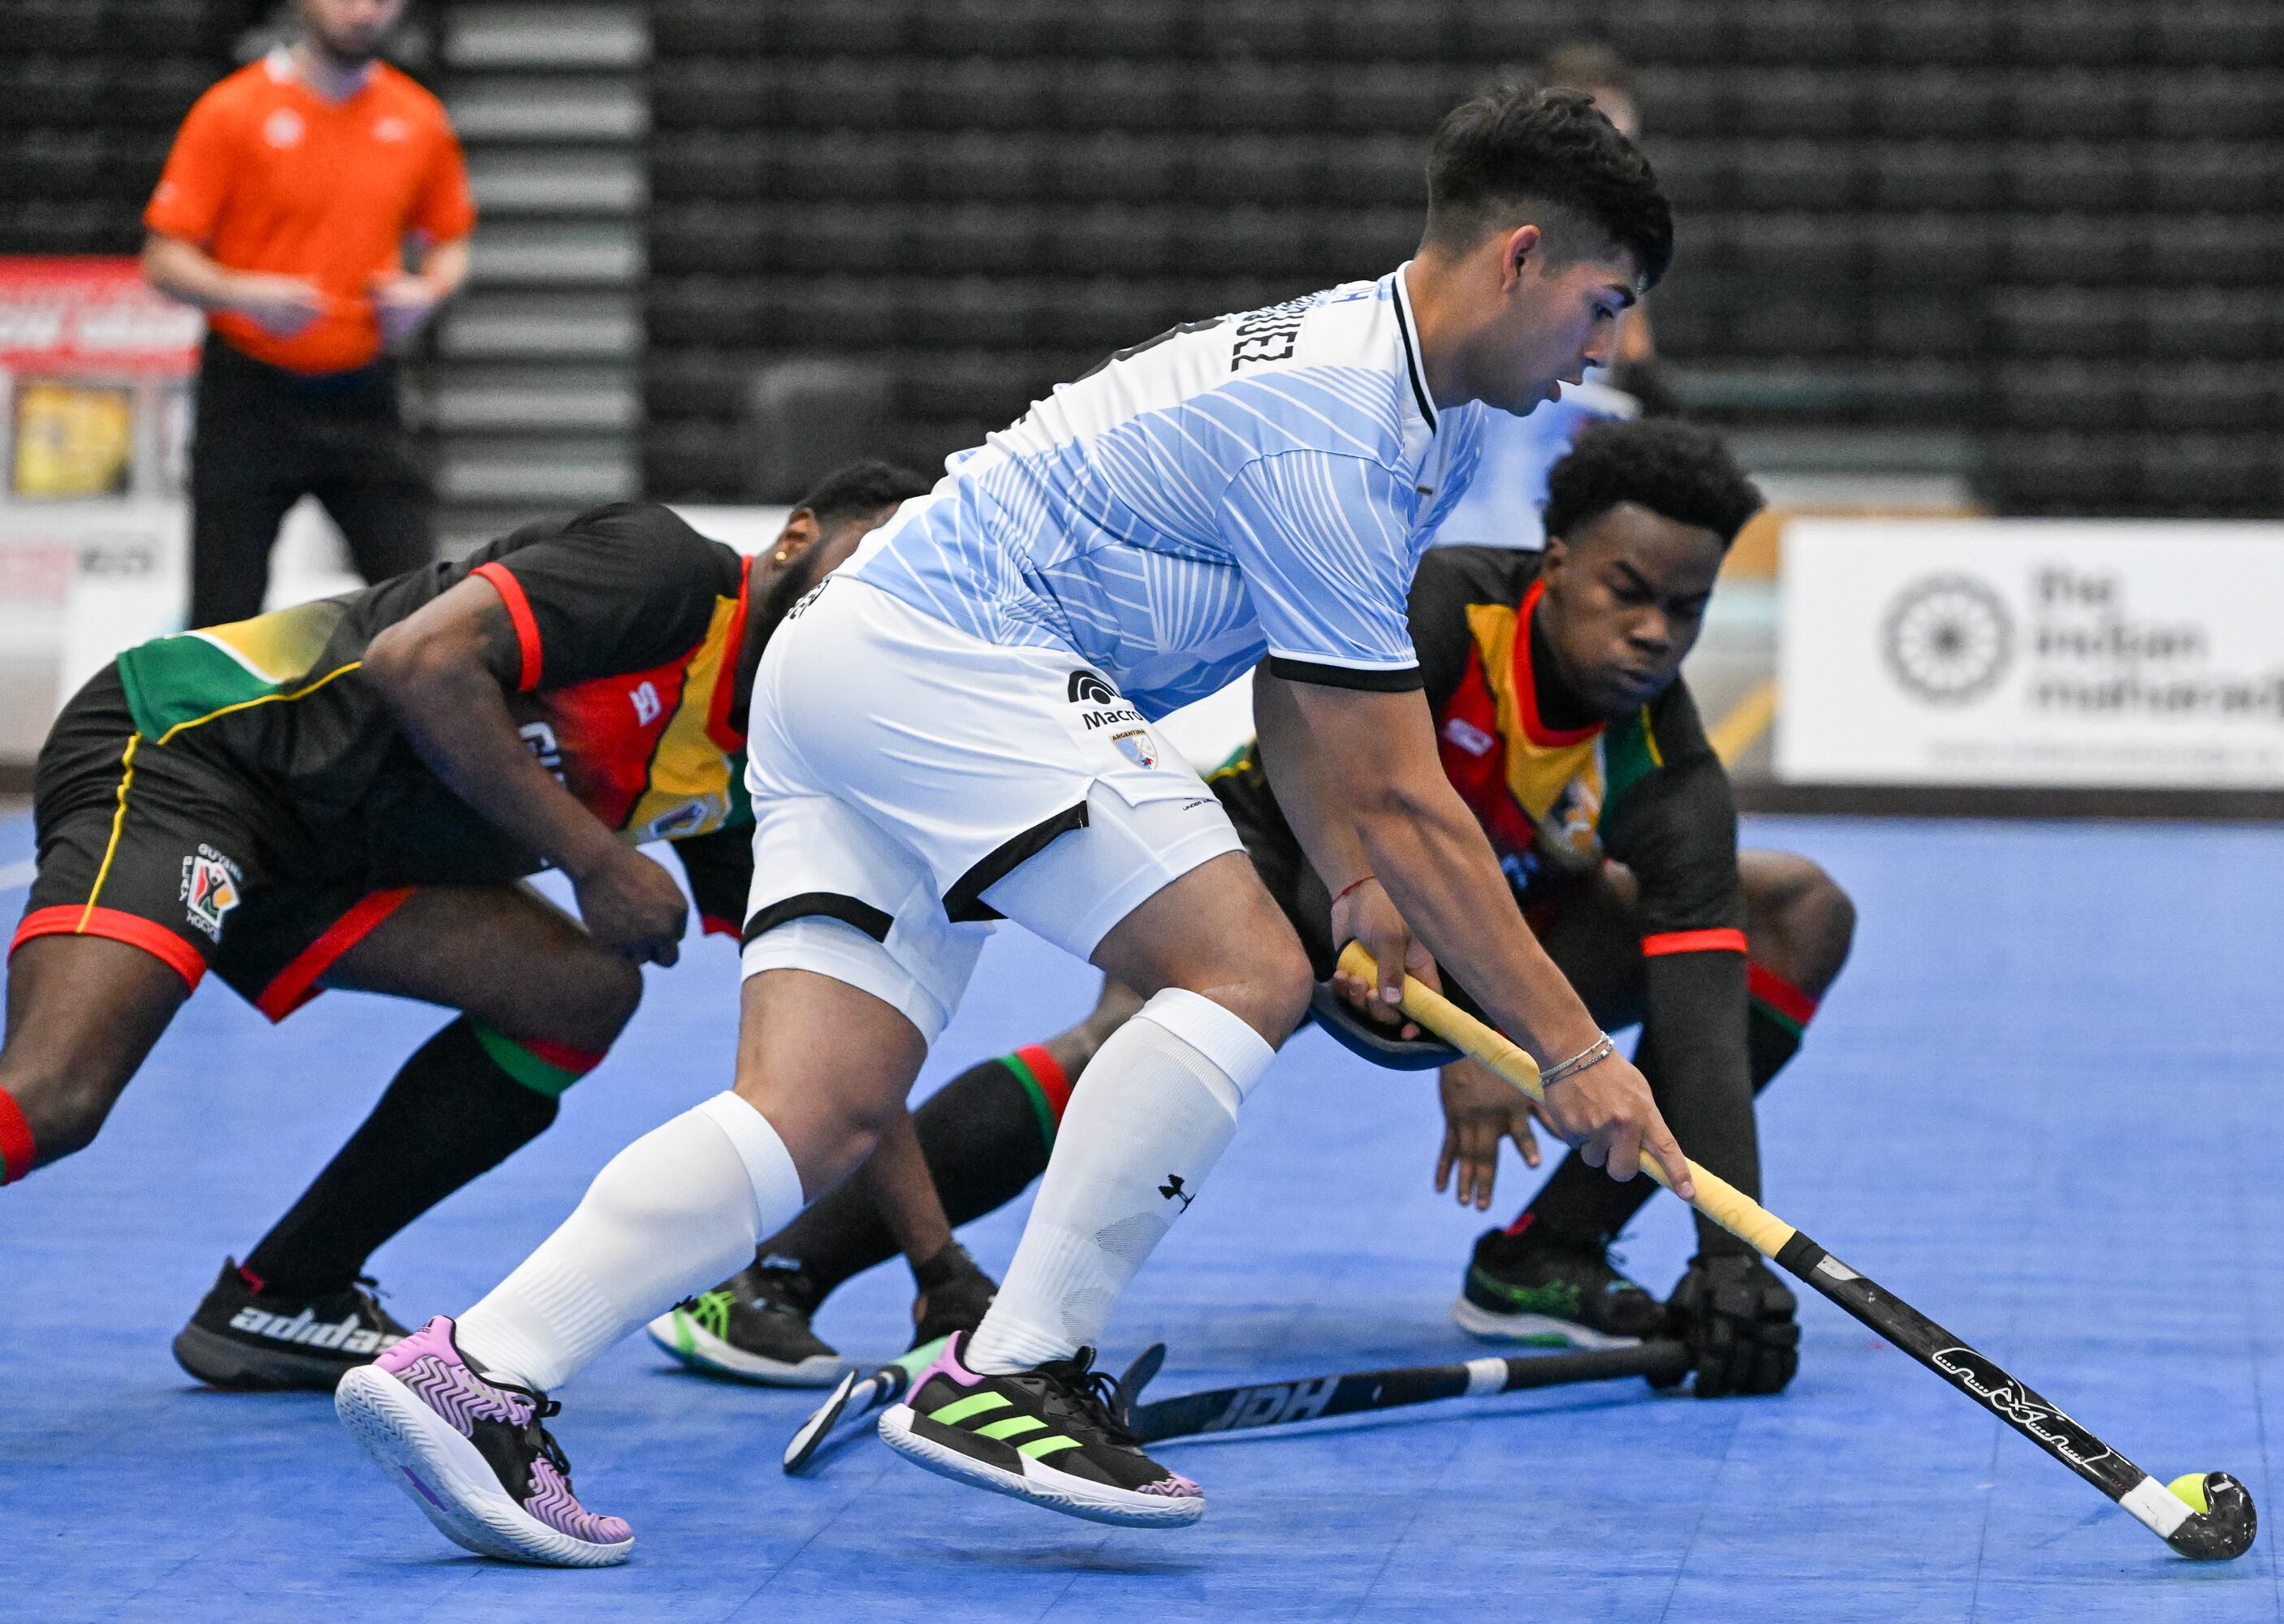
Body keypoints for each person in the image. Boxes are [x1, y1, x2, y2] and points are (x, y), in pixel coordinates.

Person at [335, 83, 1686, 1563]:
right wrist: (1569, 1050)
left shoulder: (1401, 407)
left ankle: (479, 1371)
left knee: (821, 1110)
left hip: (847, 673)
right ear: (1518, 257)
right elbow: (1405, 789)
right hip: (951, 657)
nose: (1604, 353)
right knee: (1244, 967)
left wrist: (1360, 889)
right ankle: (1020, 1369)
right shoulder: (1339, 424)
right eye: (1600, 305)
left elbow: (1309, 702)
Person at [663, 420, 1853, 1400]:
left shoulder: (1667, 761)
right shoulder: (1442, 613)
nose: (1654, 633)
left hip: (1490, 927)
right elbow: (1349, 804)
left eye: (1685, 611)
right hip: (1288, 854)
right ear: (1553, 563)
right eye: (1627, 593)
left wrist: (1730, 1257)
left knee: (1797, 916)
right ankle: (773, 1275)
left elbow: (1697, 1015)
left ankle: (1546, 1257)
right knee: (1125, 1051)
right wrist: (1503, 1019)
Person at [0, 460, 933, 1395]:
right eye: (865, 560)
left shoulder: (758, 763)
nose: (866, 603)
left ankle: (287, 1291)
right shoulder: (670, 573)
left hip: (334, 852)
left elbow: (828, 1037)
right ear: (797, 536)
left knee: (577, 995)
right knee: (58, 1099)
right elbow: (418, 660)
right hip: (197, 746)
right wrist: (599, 861)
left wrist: (939, 1268)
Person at [141, 0, 473, 628]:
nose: (363, 11)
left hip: (363, 393)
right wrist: (243, 293)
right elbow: (163, 259)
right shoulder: (231, 111)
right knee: (223, 612)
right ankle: (217, 728)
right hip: (248, 393)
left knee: (422, 605)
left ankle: (411, 727)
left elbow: (451, 241)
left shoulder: (417, 118)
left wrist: (426, 292)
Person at [1433, 40, 1680, 551]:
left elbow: (1628, 326)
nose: (1608, 124)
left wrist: (1637, 369)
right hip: (1494, 441)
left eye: (1616, 109)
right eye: (1593, 108)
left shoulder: (1623, 216)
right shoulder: (1513, 200)